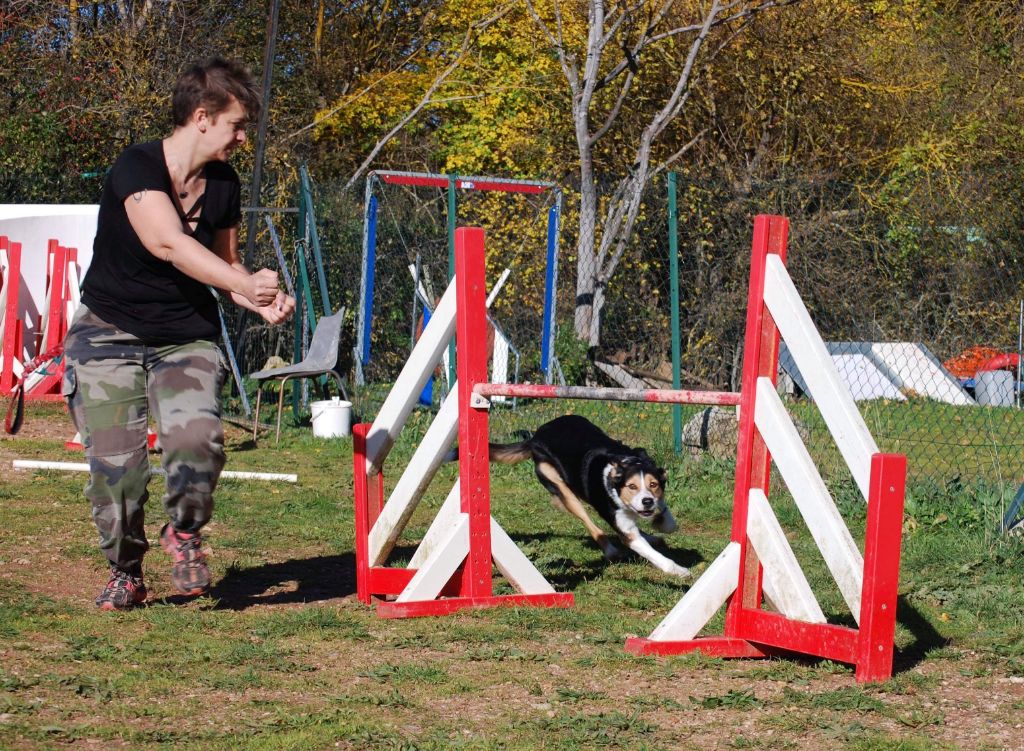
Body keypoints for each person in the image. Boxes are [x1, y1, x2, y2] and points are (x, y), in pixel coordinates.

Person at [63, 58, 295, 610]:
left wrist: (257, 299)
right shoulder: (136, 167)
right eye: (237, 125)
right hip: (107, 332)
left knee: (198, 445)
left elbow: (224, 266)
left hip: (184, 336)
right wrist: (241, 282)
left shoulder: (223, 185)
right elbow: (168, 243)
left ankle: (184, 533)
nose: (243, 137)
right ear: (201, 117)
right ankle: (126, 569)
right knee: (116, 472)